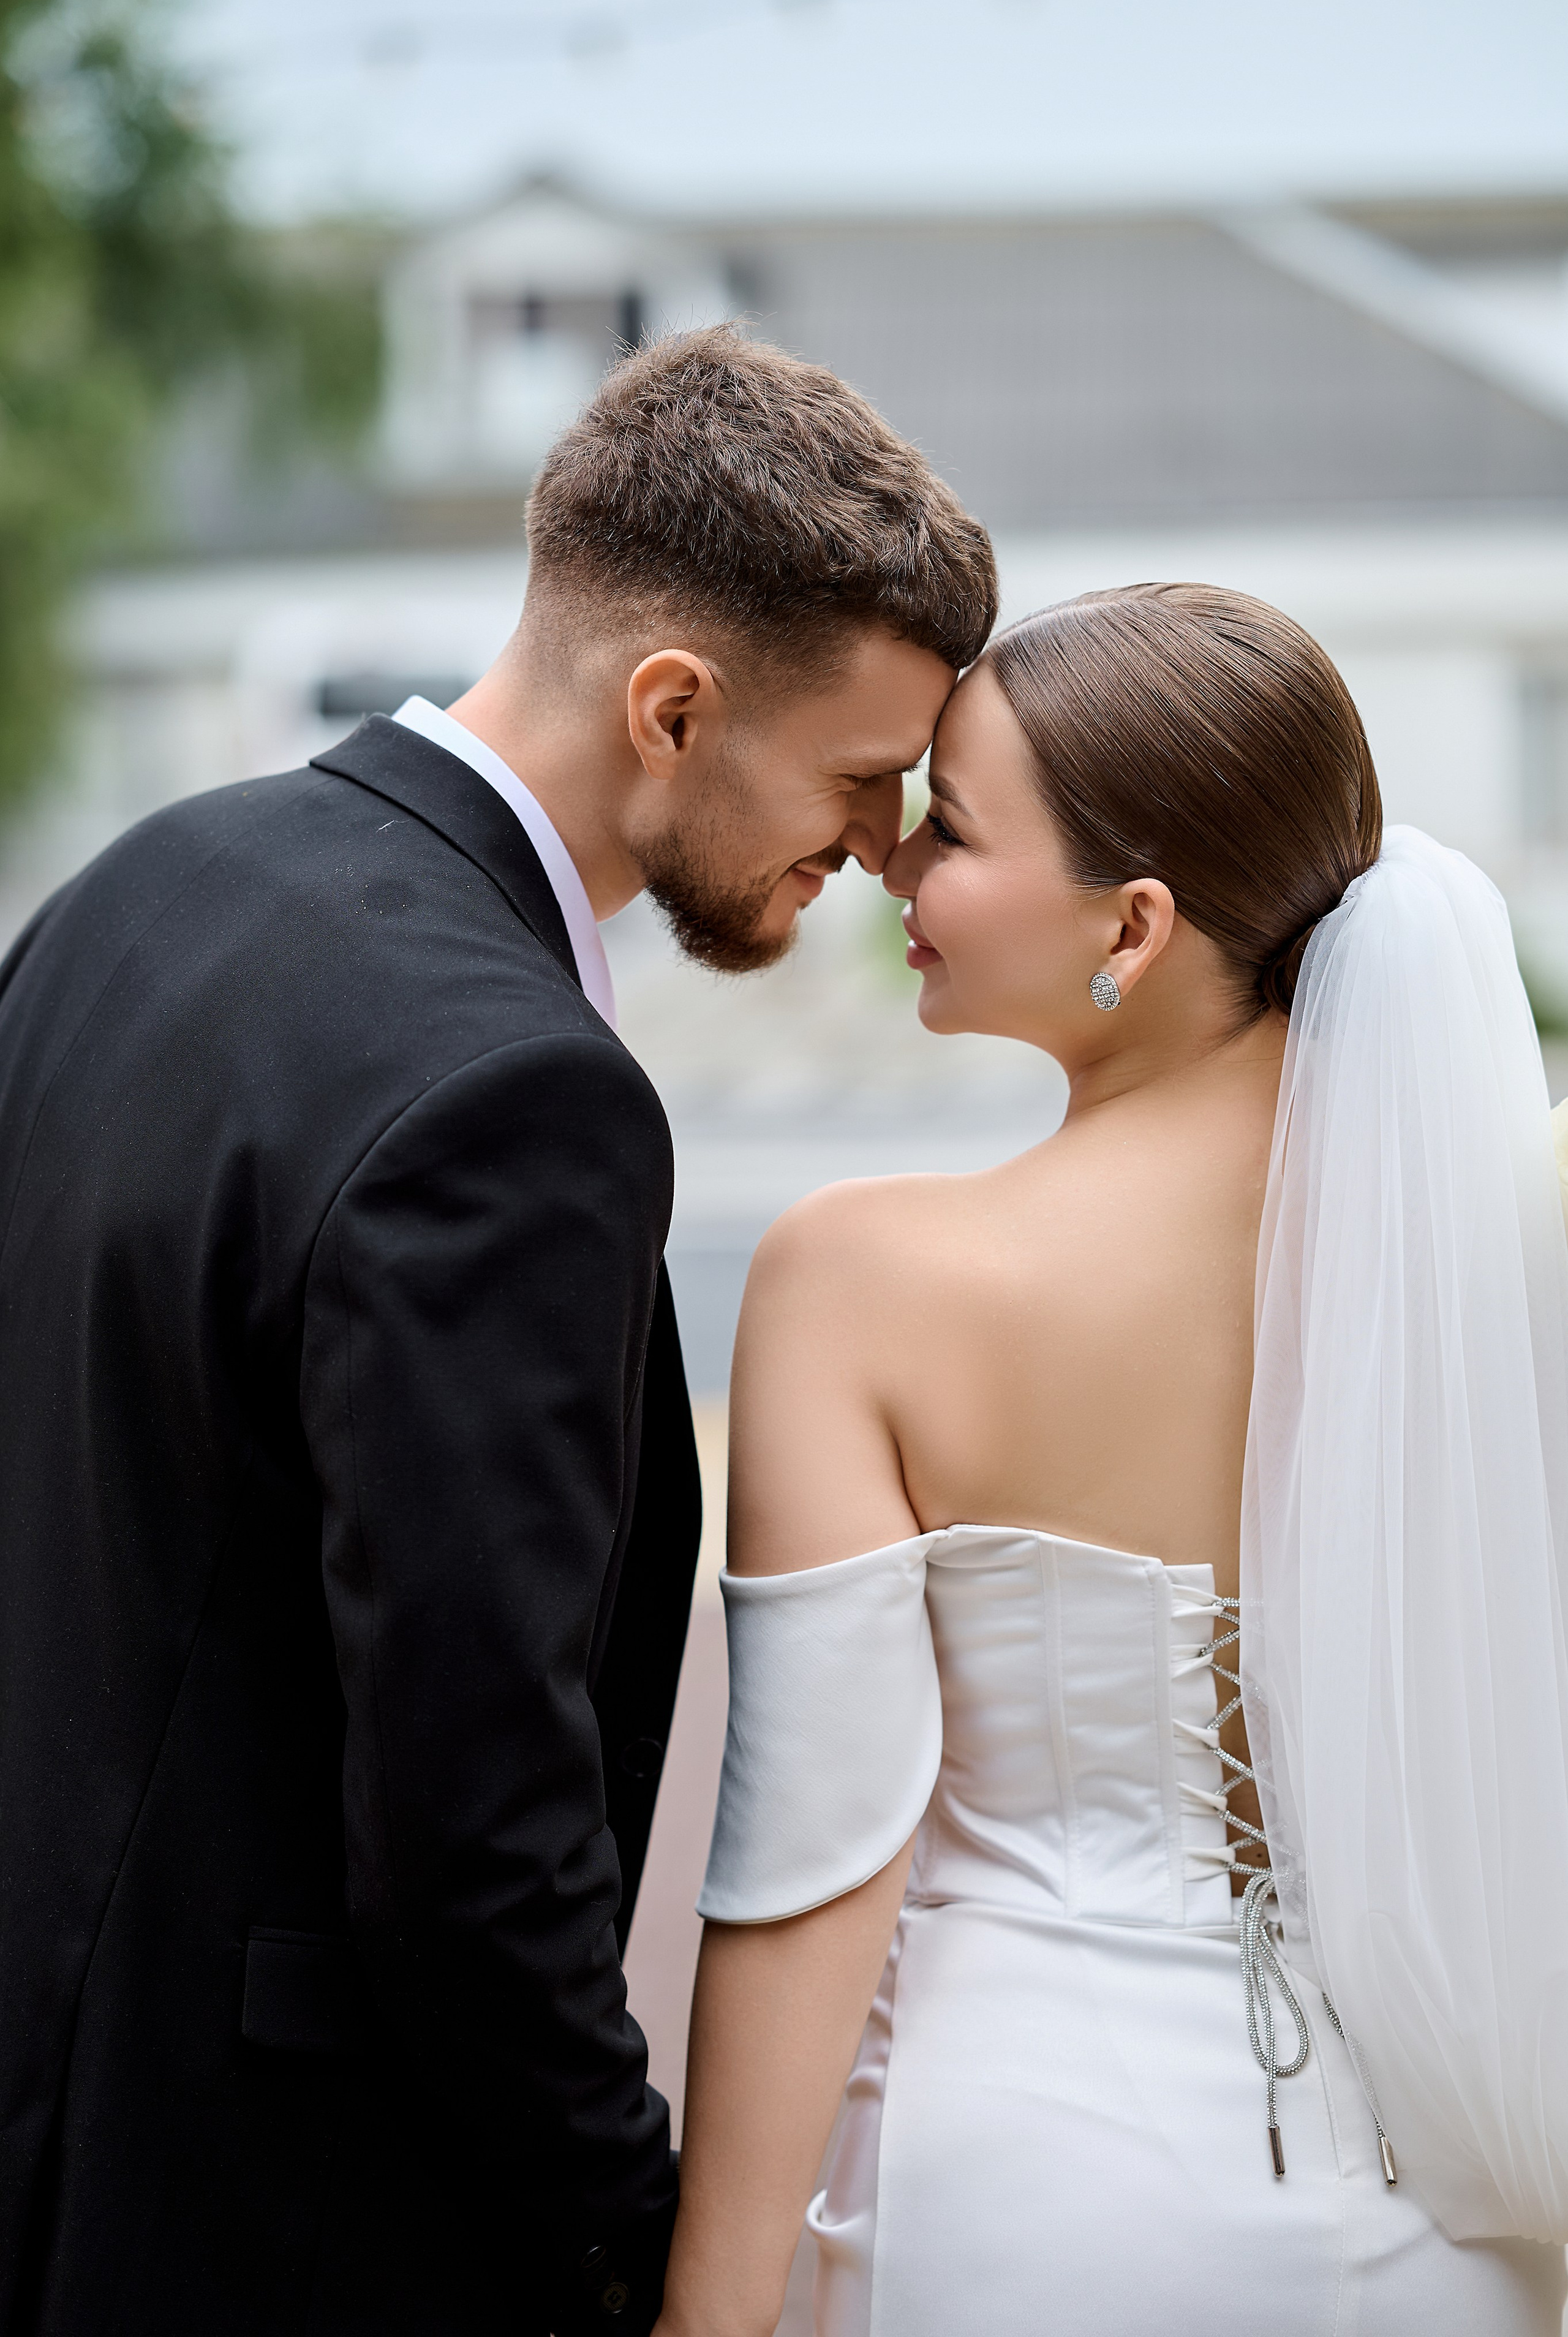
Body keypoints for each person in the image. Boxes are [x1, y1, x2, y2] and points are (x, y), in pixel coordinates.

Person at [0, 327, 995, 2337]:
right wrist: (626, 2235)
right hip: (266, 2219)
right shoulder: (511, 1096)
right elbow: (474, 1829)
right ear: (673, 706)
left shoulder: (139, 887)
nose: (881, 852)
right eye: (863, 780)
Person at [659, 584, 1568, 2336]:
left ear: (1133, 925)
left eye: (956, 829)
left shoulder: (865, 1279)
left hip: (1029, 2190)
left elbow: (812, 1867)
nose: (895, 869)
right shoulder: (1499, 1265)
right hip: (1440, 2221)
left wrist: (711, 2311)